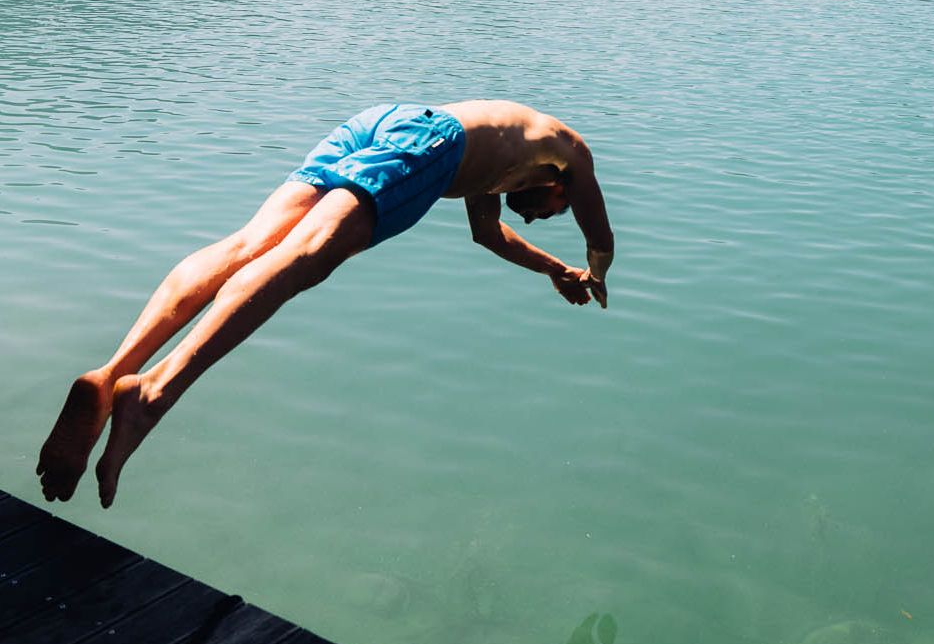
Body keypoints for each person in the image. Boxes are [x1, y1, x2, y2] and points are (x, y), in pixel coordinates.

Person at [36, 100, 614, 508]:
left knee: (248, 244)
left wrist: (553, 269)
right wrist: (595, 271)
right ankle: (152, 395)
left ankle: (114, 373)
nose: (535, 215)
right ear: (559, 187)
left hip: (384, 121)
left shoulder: (504, 156)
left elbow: (488, 236)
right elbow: (600, 232)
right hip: (431, 142)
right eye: (549, 212)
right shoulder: (571, 152)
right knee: (305, 257)